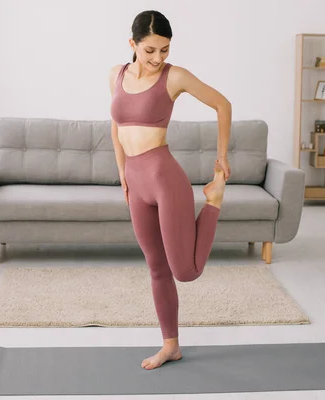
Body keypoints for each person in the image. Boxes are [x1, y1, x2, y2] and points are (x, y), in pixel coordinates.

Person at [109, 10, 232, 370]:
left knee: (186, 271)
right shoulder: (115, 75)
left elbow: (222, 104)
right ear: (132, 44)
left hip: (164, 177)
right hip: (135, 178)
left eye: (164, 49)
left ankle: (214, 202)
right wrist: (122, 173)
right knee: (156, 268)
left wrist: (222, 157)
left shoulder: (173, 76)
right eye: (150, 50)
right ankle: (171, 346)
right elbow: (115, 126)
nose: (158, 58)